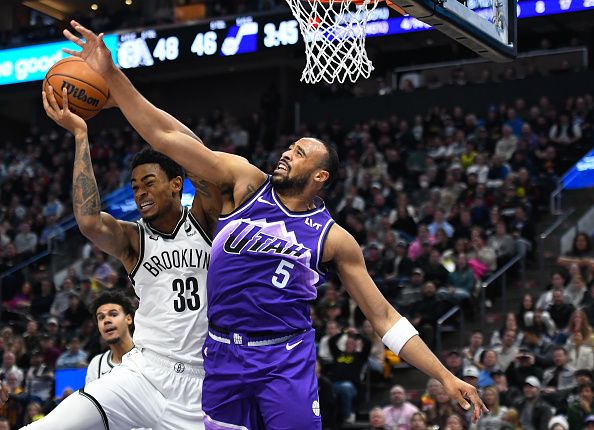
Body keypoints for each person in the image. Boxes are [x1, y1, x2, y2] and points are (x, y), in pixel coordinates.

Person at [63, 20, 486, 430]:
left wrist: (444, 375)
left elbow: (385, 318)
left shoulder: (334, 238)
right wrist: (113, 76)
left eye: (300, 153)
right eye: (289, 146)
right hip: (223, 358)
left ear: (320, 176)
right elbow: (167, 137)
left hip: (286, 361)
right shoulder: (245, 184)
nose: (287, 152)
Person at [23, 80, 220, 429]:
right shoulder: (134, 238)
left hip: (200, 383)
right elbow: (87, 220)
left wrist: (128, 101)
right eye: (134, 186)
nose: (140, 192)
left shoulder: (205, 220)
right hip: (143, 373)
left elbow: (199, 154)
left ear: (176, 183)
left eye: (149, 182)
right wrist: (81, 136)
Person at [85, 290, 135, 384]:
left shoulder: (147, 354)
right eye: (101, 317)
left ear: (128, 319)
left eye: (113, 314)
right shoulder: (96, 365)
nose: (106, 320)